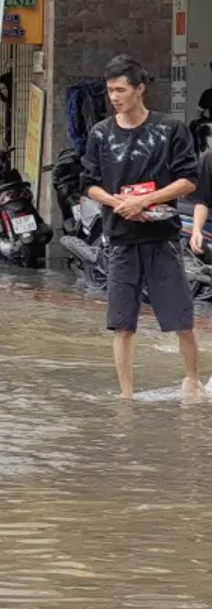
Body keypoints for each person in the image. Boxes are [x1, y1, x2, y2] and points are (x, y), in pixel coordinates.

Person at [81, 55, 200, 400]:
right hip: (120, 238)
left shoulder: (170, 130)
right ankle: (126, 396)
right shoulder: (101, 134)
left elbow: (188, 180)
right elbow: (88, 183)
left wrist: (146, 202)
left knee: (181, 319)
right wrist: (118, 202)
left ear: (140, 90)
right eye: (110, 91)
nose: (114, 97)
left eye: (121, 90)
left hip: (161, 238)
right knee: (121, 324)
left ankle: (192, 382)